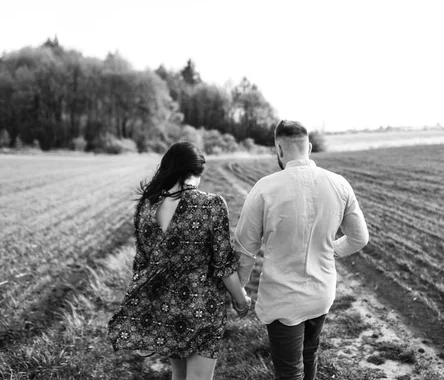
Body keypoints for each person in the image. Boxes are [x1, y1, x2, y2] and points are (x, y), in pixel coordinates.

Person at [234, 120, 369, 380]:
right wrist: (331, 251)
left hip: (282, 299)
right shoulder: (339, 184)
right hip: (321, 292)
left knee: (288, 371)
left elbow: (244, 249)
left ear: (279, 150)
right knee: (310, 355)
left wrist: (240, 291)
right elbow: (359, 238)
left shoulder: (264, 188)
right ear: (308, 147)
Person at [108, 141, 251, 380]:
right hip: (201, 308)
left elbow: (141, 263)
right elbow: (224, 265)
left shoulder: (146, 206)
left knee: (179, 374)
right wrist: (241, 300)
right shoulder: (211, 204)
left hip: (165, 306)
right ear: (196, 173)